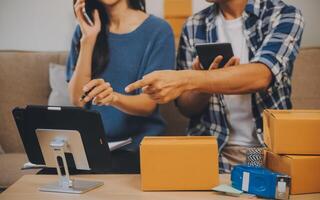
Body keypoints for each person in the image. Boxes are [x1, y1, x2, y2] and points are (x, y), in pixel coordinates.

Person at [125, 0, 304, 172]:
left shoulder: (284, 15)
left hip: (265, 152)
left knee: (258, 186)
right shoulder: (194, 25)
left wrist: (189, 78)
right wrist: (203, 86)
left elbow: (262, 76)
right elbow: (187, 109)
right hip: (212, 153)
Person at [67, 0, 175, 173]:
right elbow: (77, 100)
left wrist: (114, 98)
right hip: (93, 147)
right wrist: (88, 39)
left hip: (138, 148)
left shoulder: (158, 30)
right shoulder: (85, 30)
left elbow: (148, 105)